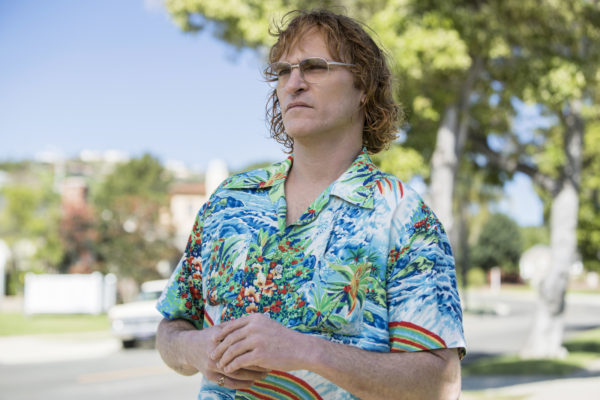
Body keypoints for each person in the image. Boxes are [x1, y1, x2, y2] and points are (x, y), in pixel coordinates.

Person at [156, 9, 465, 400]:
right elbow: (171, 328)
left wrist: (307, 351)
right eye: (283, 71)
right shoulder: (229, 202)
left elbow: (441, 384)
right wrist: (195, 348)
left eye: (315, 67)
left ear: (364, 87)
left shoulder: (402, 215)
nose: (294, 83)